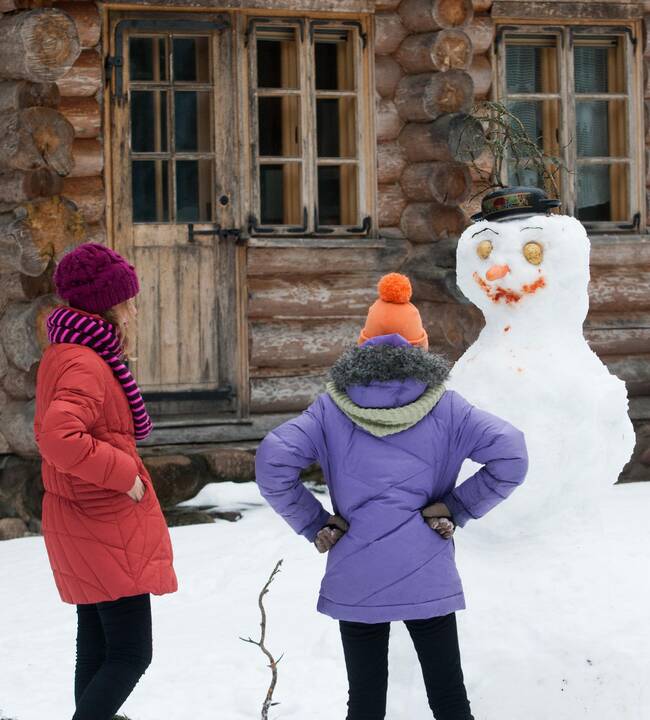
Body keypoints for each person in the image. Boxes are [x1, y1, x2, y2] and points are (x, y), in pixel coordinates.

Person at [255, 273, 529, 720]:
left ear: (363, 345)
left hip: (357, 571)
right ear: (420, 346)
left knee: (364, 704)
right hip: (427, 569)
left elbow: (273, 462)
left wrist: (315, 522)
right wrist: (457, 508)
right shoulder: (448, 406)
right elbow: (511, 454)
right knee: (449, 699)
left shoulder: (330, 408)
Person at [33, 243, 177, 720]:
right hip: (103, 523)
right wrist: (124, 475)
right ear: (105, 305)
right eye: (127, 301)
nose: (134, 311)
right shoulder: (86, 364)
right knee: (132, 652)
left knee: (97, 643)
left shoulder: (70, 351)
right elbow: (59, 437)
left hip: (85, 521)